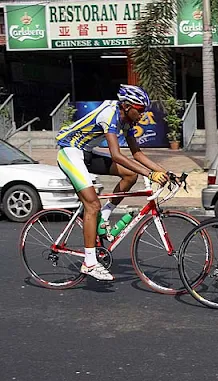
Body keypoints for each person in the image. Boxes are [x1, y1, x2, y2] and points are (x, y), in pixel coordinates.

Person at [56, 85, 170, 281]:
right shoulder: (109, 115)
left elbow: (137, 154)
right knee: (92, 204)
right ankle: (89, 263)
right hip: (69, 152)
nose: (142, 115)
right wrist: (150, 175)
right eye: (140, 110)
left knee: (129, 176)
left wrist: (165, 172)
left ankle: (104, 218)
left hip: (86, 153)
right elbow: (116, 155)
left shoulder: (127, 120)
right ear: (126, 106)